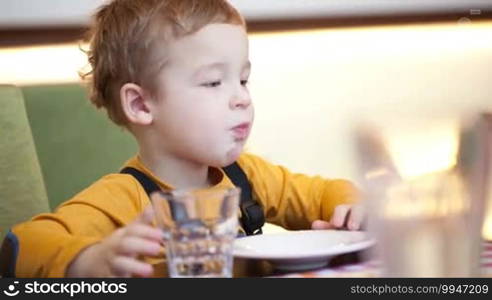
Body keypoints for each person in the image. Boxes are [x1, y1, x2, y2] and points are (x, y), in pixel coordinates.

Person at [7, 0, 363, 278]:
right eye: (212, 82)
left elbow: (323, 194)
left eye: (243, 79)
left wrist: (350, 207)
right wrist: (88, 263)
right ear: (142, 104)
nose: (241, 98)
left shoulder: (246, 175)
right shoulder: (125, 198)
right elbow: (22, 244)